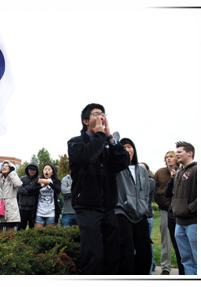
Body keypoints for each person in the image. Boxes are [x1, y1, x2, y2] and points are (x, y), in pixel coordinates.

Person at [67, 103, 129, 275]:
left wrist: (110, 138)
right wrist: (100, 135)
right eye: (96, 114)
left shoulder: (106, 143)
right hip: (87, 206)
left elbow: (123, 162)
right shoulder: (75, 143)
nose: (101, 117)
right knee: (93, 254)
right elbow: (87, 156)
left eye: (103, 114)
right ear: (86, 121)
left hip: (108, 207)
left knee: (113, 253)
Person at [115, 138, 151, 275]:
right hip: (123, 212)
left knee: (145, 252)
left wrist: (144, 207)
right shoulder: (117, 168)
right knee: (127, 252)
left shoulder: (141, 170)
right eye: (123, 147)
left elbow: (146, 192)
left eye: (130, 147)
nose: (127, 150)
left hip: (140, 214)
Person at [165, 141, 197, 275]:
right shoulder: (178, 173)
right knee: (186, 259)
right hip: (179, 222)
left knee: (197, 257)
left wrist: (190, 208)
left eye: (180, 152)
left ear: (190, 153)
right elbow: (170, 194)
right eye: (176, 152)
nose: (176, 154)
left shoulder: (197, 170)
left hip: (193, 222)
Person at [154, 151, 178, 275]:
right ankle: (165, 267)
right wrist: (162, 203)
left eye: (171, 157)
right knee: (165, 240)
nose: (169, 159)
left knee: (181, 240)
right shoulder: (159, 173)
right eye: (167, 157)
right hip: (164, 210)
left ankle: (183, 265)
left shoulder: (182, 171)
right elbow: (154, 190)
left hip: (180, 212)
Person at [0, 161, 22, 233]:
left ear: (11, 168)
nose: (4, 167)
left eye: (7, 166)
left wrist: (12, 173)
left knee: (10, 233)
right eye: (3, 166)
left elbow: (18, 184)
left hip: (10, 208)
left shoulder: (13, 178)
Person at [139, 162, 157, 274]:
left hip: (147, 216)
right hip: (138, 216)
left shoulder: (150, 182)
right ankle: (153, 263)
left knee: (146, 242)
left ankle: (149, 268)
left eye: (143, 169)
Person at [31, 164, 61, 228]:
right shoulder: (39, 180)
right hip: (39, 212)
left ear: (52, 173)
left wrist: (49, 183)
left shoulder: (56, 181)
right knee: (37, 233)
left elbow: (58, 190)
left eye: (49, 169)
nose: (46, 171)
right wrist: (40, 185)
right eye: (45, 169)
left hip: (51, 213)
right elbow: (30, 190)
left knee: (50, 234)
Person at [17, 161, 39, 230]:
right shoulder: (22, 179)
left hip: (33, 208)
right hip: (22, 208)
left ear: (36, 171)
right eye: (30, 169)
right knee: (20, 229)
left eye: (34, 170)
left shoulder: (38, 180)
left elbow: (37, 192)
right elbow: (19, 190)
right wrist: (31, 189)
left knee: (32, 229)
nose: (32, 171)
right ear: (27, 170)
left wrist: (26, 188)